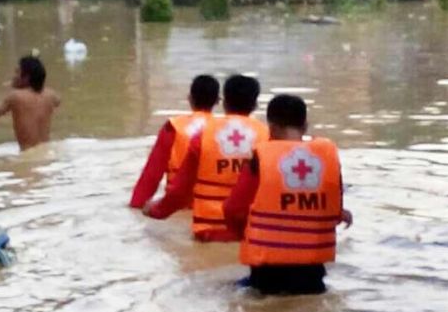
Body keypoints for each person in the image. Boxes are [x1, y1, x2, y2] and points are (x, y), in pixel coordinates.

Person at [225, 94, 353, 295]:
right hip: (312, 272)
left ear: (272, 127)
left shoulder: (260, 157)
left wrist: (243, 233)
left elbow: (233, 208)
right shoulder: (327, 156)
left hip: (267, 272)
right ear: (305, 126)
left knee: (226, 291)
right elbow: (332, 209)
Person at [142, 75, 269, 243]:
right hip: (252, 233)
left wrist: (154, 210)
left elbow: (180, 191)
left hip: (209, 232)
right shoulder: (269, 137)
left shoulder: (203, 136)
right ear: (255, 105)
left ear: (224, 103)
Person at [130, 75, 221, 210]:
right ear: (218, 101)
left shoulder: (173, 127)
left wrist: (136, 205)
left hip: (176, 205)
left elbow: (152, 174)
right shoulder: (224, 130)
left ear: (190, 98)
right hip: (211, 206)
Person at [0, 56, 61, 151]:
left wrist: (13, 89)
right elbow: (57, 102)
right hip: (46, 151)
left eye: (17, 72)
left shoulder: (15, 97)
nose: (14, 76)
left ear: (26, 77)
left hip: (27, 155)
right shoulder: (51, 95)